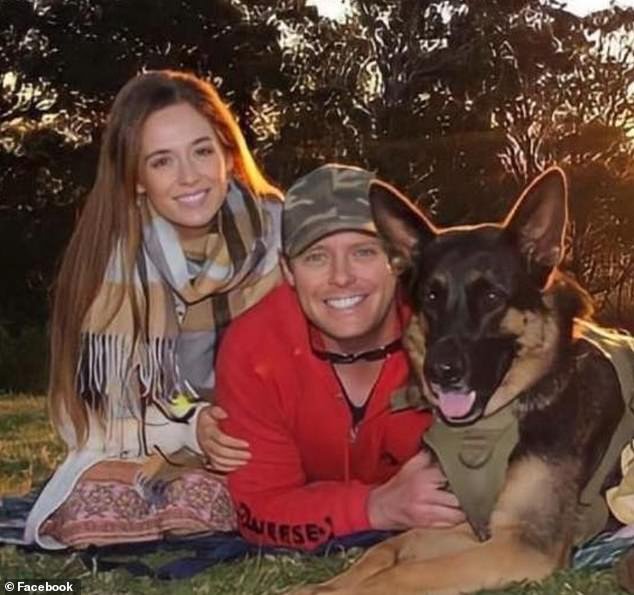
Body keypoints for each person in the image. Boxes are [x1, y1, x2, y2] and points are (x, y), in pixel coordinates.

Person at [23, 70, 283, 549]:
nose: (189, 176)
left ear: (228, 155)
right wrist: (192, 423)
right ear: (136, 179)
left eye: (201, 151)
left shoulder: (279, 236)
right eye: (162, 161)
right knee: (99, 517)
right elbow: (108, 403)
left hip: (251, 428)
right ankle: (145, 480)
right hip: (140, 429)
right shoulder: (110, 259)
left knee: (207, 504)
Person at [215, 164, 465, 551]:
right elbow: (259, 509)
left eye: (363, 252)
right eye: (316, 257)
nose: (342, 277)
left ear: (398, 260)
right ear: (288, 271)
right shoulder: (254, 348)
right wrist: (375, 507)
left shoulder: (450, 335)